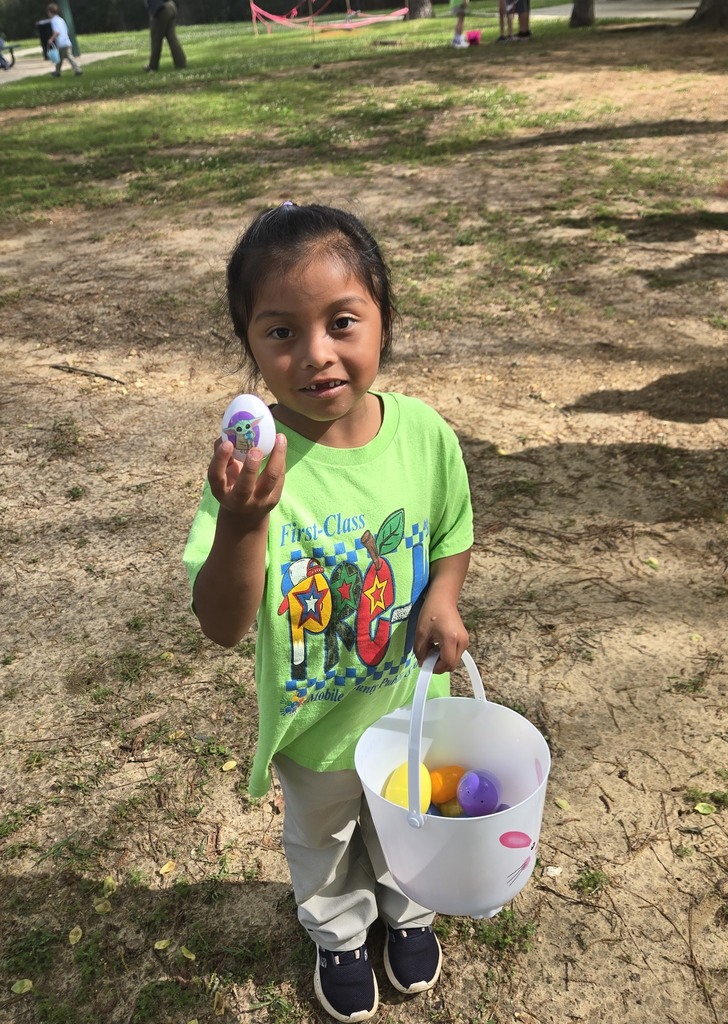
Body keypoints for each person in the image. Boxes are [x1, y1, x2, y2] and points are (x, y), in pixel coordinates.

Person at [183, 202, 474, 1023]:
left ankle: (406, 912)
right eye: (280, 332)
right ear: (249, 346)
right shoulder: (255, 467)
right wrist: (243, 521)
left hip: (412, 708)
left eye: (342, 321)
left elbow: (452, 526)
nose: (316, 354)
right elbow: (222, 622)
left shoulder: (423, 435)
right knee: (326, 839)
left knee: (411, 820)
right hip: (314, 730)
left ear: (384, 316)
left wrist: (443, 596)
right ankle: (340, 931)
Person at [144, 0, 186, 72]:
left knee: (156, 40)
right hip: (171, 6)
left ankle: (153, 66)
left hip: (161, 9)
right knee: (172, 38)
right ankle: (181, 63)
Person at [46, 3, 81, 77]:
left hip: (62, 43)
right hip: (66, 41)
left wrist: (51, 39)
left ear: (50, 12)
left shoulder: (54, 21)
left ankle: (78, 70)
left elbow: (57, 32)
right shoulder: (61, 19)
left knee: (69, 56)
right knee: (60, 58)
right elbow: (66, 30)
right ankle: (57, 72)